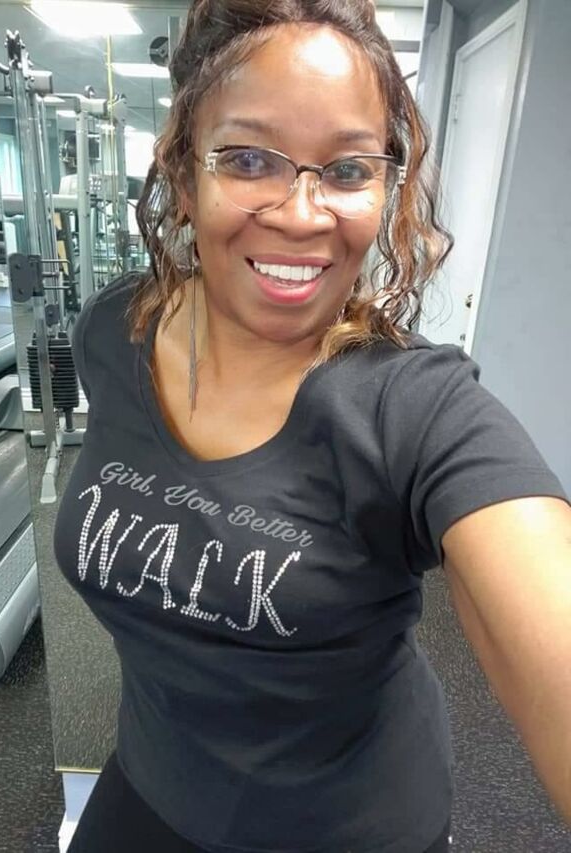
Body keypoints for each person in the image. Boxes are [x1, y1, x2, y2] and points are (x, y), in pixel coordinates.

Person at [54, 1, 571, 851]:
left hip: (353, 825)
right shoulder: (114, 331)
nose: (302, 214)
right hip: (153, 777)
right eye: (248, 159)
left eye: (347, 169)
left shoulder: (415, 407)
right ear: (183, 174)